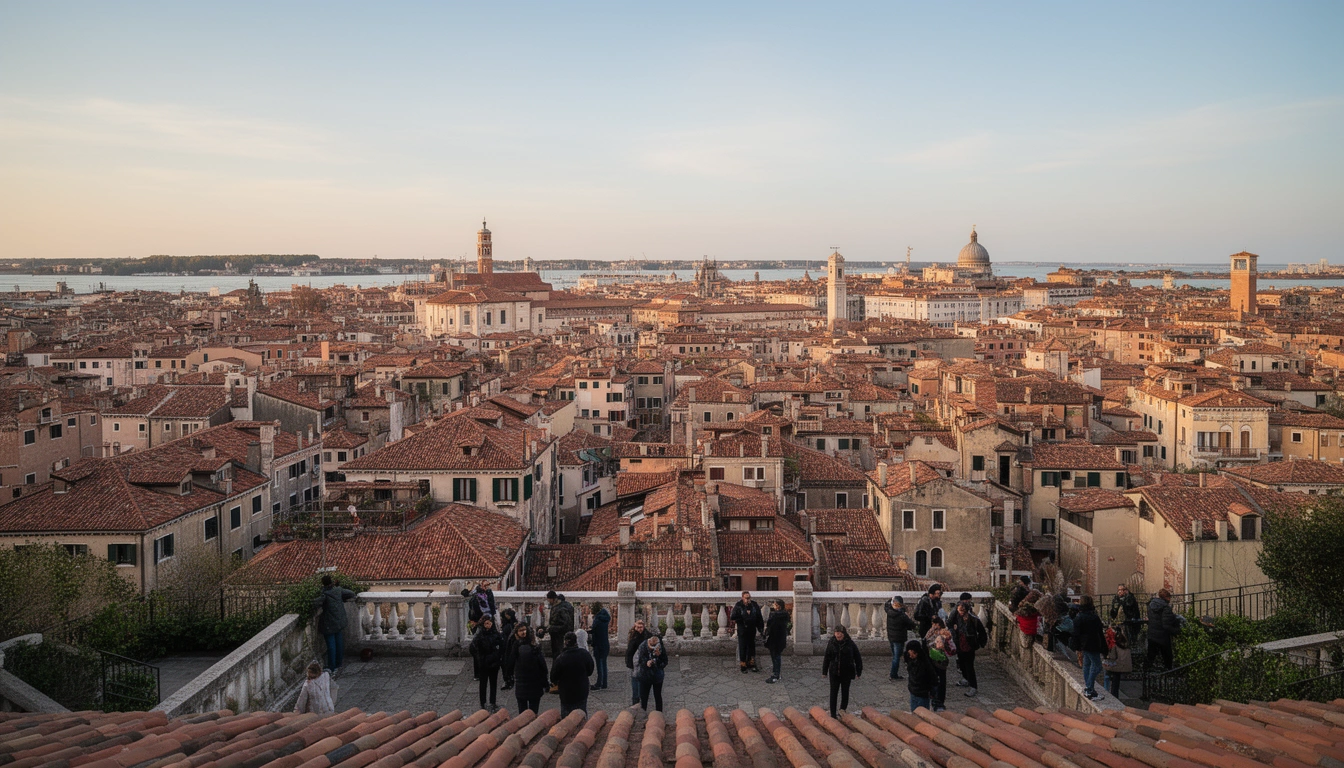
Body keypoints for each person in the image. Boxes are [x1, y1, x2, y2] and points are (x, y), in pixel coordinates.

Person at [312, 575, 357, 675]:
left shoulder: (325, 594)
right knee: (339, 642)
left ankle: (332, 667)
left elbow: (316, 603)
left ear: (323, 583)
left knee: (331, 645)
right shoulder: (338, 590)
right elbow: (351, 593)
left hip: (329, 623)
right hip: (340, 621)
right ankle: (339, 663)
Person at [1070, 595, 1107, 700]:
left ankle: (1088, 687)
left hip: (1084, 645)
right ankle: (1089, 688)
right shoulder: (1093, 617)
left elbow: (1076, 633)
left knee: (1087, 665)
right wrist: (1104, 648)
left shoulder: (1079, 617)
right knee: (1097, 666)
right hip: (1093, 644)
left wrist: (1077, 646)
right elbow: (1099, 633)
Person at [551, 631, 595, 717]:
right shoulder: (584, 654)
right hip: (582, 690)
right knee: (581, 714)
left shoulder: (561, 658)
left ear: (565, 642)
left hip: (566, 692)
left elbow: (553, 677)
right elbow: (590, 671)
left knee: (566, 717)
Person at [822, 625, 862, 718]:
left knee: (845, 692)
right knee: (833, 692)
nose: (838, 635)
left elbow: (857, 658)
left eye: (839, 634)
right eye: (836, 633)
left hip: (846, 671)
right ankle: (833, 713)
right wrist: (824, 671)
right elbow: (827, 657)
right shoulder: (831, 642)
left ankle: (842, 710)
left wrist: (858, 671)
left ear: (843, 634)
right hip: (834, 671)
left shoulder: (850, 643)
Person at [948, 600, 987, 697]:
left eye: (962, 611)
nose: (960, 613)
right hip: (959, 642)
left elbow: (982, 632)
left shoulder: (973, 619)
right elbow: (949, 624)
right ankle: (965, 679)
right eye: (959, 610)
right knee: (961, 663)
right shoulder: (955, 616)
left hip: (969, 644)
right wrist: (953, 631)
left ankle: (973, 686)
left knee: (969, 666)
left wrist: (979, 644)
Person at [469, 615, 505, 711]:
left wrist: (498, 658)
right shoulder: (480, 636)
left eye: (489, 623)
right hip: (484, 663)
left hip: (494, 663)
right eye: (486, 623)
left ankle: (492, 701)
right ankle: (483, 702)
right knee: (483, 684)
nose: (488, 625)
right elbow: (473, 648)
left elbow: (502, 648)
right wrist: (479, 658)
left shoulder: (496, 635)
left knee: (493, 683)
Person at [510, 626, 549, 714]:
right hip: (535, 685)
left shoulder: (516, 648)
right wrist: (545, 684)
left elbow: (510, 665)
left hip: (521, 686)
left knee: (522, 712)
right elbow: (543, 668)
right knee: (533, 711)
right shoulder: (535, 649)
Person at [923, 616, 956, 712]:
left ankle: (938, 702)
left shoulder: (944, 632)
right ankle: (935, 700)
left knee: (940, 682)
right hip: (933, 660)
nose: (933, 626)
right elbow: (926, 641)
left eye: (935, 624)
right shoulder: (931, 631)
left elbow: (945, 645)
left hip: (940, 661)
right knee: (935, 681)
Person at [1146, 588, 1181, 671]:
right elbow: (1166, 625)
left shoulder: (1150, 605)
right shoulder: (1166, 608)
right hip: (1162, 636)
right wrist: (1177, 630)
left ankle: (1145, 674)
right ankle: (1168, 674)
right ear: (1167, 597)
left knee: (1150, 656)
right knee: (1167, 657)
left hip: (1152, 634)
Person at [730, 591, 764, 673]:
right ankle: (743, 664)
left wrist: (761, 628)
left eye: (749, 597)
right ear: (742, 598)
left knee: (751, 646)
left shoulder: (754, 605)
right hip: (742, 629)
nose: (748, 599)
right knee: (743, 646)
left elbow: (759, 617)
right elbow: (733, 616)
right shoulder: (738, 605)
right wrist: (744, 615)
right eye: (746, 598)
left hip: (751, 629)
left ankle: (751, 663)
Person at [884, 596, 917, 680]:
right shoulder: (902, 616)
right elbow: (912, 625)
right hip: (899, 638)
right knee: (896, 657)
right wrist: (908, 616)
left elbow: (886, 605)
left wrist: (891, 599)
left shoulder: (889, 611)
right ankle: (893, 674)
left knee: (894, 656)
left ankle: (893, 673)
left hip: (891, 637)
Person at [634, 634, 669, 712]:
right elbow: (639, 661)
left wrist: (657, 659)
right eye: (651, 647)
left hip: (657, 676)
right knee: (644, 697)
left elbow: (665, 661)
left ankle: (659, 714)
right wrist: (646, 663)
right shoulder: (642, 647)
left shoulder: (660, 647)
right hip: (645, 676)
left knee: (658, 695)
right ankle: (643, 713)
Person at [625, 617, 654, 706]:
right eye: (638, 627)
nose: (639, 629)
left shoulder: (648, 636)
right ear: (635, 627)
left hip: (644, 662)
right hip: (635, 663)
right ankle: (635, 700)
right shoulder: (632, 636)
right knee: (635, 682)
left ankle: (642, 699)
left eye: (641, 627)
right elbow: (629, 651)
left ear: (644, 627)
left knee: (643, 682)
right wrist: (629, 663)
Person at [904, 639, 937, 712]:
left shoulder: (924, 663)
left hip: (922, 693)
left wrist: (932, 691)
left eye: (913, 653)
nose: (911, 656)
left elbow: (933, 678)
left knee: (923, 714)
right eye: (910, 653)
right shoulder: (910, 660)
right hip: (914, 691)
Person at [763, 599, 790, 684]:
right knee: (777, 656)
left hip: (774, 638)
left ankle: (776, 675)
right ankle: (776, 672)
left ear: (778, 606)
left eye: (774, 604)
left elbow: (769, 625)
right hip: (781, 638)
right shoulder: (786, 615)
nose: (773, 606)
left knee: (775, 656)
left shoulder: (774, 615)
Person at [545, 590, 576, 661]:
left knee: (559, 657)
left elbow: (566, 624)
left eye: (549, 600)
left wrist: (552, 628)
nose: (548, 602)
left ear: (552, 599)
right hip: (560, 637)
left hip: (559, 637)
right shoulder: (562, 607)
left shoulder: (560, 609)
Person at [1103, 630, 1132, 698]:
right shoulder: (1127, 645)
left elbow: (1112, 657)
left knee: (1106, 668)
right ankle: (1114, 694)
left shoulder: (1115, 645)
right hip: (1127, 666)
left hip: (1118, 666)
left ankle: (1109, 692)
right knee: (1116, 677)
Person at [589, 601, 611, 690]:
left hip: (598, 644)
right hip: (605, 643)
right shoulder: (605, 618)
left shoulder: (598, 619)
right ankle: (604, 683)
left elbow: (595, 630)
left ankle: (599, 683)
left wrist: (588, 631)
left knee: (599, 665)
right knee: (604, 664)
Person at [498, 608, 518, 691]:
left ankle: (508, 681)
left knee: (506, 665)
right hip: (511, 648)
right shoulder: (514, 624)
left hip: (507, 649)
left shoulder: (508, 626)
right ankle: (510, 680)